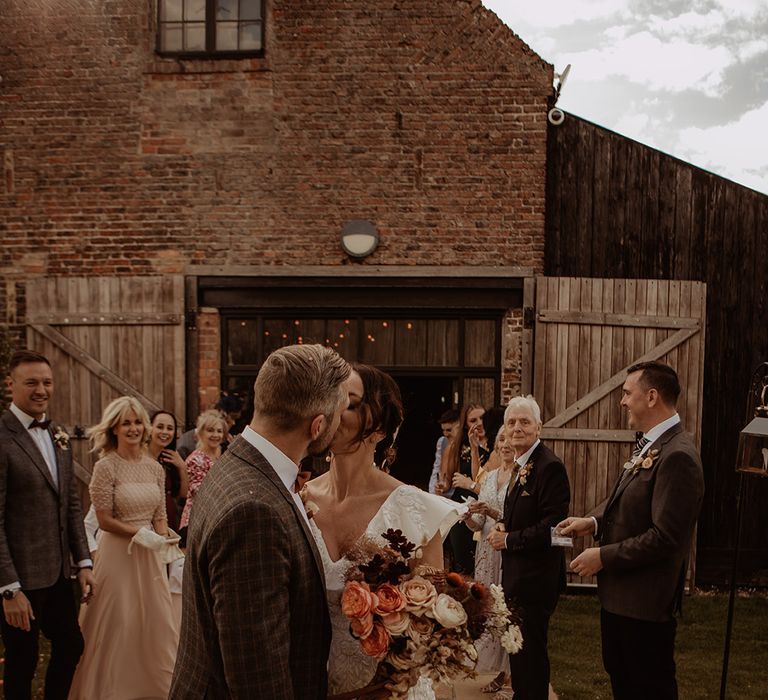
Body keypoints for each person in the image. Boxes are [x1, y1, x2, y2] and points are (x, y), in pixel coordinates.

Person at [169, 344, 351, 699]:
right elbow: (256, 673)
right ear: (317, 425)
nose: (342, 423)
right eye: (340, 414)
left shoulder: (238, 461)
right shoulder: (255, 513)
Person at [303, 364, 466, 699]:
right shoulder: (299, 500)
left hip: (389, 690)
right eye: (330, 398)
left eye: (349, 402)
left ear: (378, 429)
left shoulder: (413, 510)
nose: (332, 409)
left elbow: (428, 625)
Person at [557, 361, 704, 700]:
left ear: (651, 396)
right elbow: (630, 508)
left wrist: (603, 557)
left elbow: (665, 537)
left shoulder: (678, 456)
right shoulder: (651, 446)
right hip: (621, 604)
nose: (622, 402)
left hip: (644, 609)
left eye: (627, 393)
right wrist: (592, 523)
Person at [68, 396, 180, 699]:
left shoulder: (155, 469)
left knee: (155, 621)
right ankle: (111, 689)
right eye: (126, 423)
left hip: (149, 557)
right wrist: (139, 535)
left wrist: (164, 537)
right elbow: (103, 520)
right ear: (114, 429)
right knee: (120, 621)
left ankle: (155, 687)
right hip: (118, 555)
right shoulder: (106, 467)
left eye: (137, 422)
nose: (133, 428)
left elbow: (159, 516)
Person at [0, 350, 95, 700]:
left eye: (47, 382)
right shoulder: (2, 437)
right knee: (22, 662)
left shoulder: (58, 433)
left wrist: (83, 562)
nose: (41, 389)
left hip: (58, 574)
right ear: (12, 385)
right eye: (31, 383)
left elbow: (71, 504)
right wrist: (9, 589)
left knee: (71, 646)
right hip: (19, 580)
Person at [487, 395, 570, 700]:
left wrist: (508, 540)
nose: (517, 427)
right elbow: (522, 516)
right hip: (517, 580)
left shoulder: (549, 468)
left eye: (524, 421)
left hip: (536, 582)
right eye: (511, 422)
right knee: (519, 656)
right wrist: (504, 525)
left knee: (532, 658)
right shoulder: (521, 465)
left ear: (539, 426)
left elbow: (553, 528)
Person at [463, 426, 515, 695]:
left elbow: (516, 518)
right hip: (485, 555)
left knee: (507, 612)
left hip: (507, 554)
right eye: (501, 439)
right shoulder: (490, 477)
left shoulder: (521, 477)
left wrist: (493, 511)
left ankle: (509, 674)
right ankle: (498, 670)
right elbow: (477, 525)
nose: (505, 444)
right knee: (488, 611)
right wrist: (468, 516)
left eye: (508, 439)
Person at [441, 404, 487, 573]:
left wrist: (470, 482)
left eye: (482, 418)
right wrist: (444, 485)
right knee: (463, 561)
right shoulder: (459, 447)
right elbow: (448, 479)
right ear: (466, 424)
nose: (479, 423)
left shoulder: (498, 445)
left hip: (485, 504)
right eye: (473, 420)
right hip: (463, 505)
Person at [178, 409, 226, 533]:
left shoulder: (222, 455)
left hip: (216, 517)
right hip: (197, 521)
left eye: (219, 431)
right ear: (200, 433)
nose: (215, 435)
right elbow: (200, 493)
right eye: (210, 430)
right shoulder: (195, 460)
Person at [148, 410, 188, 533]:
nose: (165, 432)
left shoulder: (170, 459)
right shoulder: (140, 458)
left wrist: (182, 467)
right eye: (160, 427)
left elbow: (183, 494)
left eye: (170, 428)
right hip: (148, 523)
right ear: (150, 429)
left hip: (169, 521)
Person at [177, 392, 243, 460]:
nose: (233, 423)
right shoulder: (185, 446)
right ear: (221, 413)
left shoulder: (226, 444)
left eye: (219, 431)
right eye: (232, 417)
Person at [427, 408, 459, 495]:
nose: (445, 434)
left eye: (449, 430)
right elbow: (436, 469)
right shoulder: (442, 441)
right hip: (444, 492)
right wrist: (433, 492)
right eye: (443, 430)